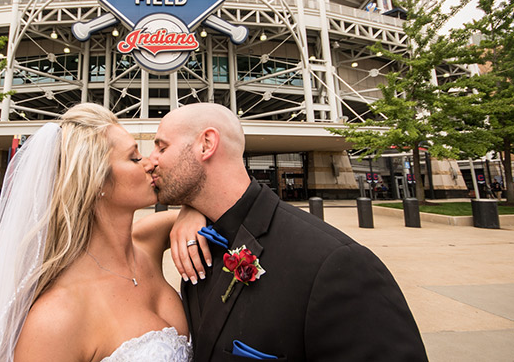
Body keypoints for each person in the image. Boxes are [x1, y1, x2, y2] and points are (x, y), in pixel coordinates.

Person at [151, 103, 428, 361]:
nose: (150, 161)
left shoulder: (337, 264)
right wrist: (188, 208)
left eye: (161, 148)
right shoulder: (199, 241)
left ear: (206, 144)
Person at [0, 103, 203, 361]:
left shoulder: (149, 238)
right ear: (96, 181)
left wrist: (192, 212)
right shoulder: (55, 318)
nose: (150, 163)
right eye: (134, 158)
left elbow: (216, 209)